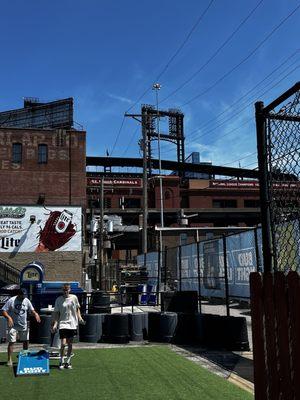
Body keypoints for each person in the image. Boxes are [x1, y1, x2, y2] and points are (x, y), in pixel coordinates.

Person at [1, 288, 41, 367]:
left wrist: (35, 314)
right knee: (12, 342)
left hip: (23, 324)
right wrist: (9, 318)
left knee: (26, 341)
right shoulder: (11, 300)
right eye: (22, 295)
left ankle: (25, 357)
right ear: (18, 294)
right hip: (13, 325)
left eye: (25, 295)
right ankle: (9, 359)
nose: (24, 297)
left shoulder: (26, 300)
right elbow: (3, 310)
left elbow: (31, 310)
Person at [51, 283, 84, 370]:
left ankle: (68, 362)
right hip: (63, 323)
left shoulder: (74, 298)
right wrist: (55, 324)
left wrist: (80, 318)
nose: (66, 291)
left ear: (69, 290)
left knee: (70, 344)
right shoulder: (58, 300)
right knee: (63, 344)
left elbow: (77, 309)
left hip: (72, 323)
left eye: (67, 290)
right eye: (64, 290)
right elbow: (57, 313)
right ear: (62, 290)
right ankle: (61, 360)